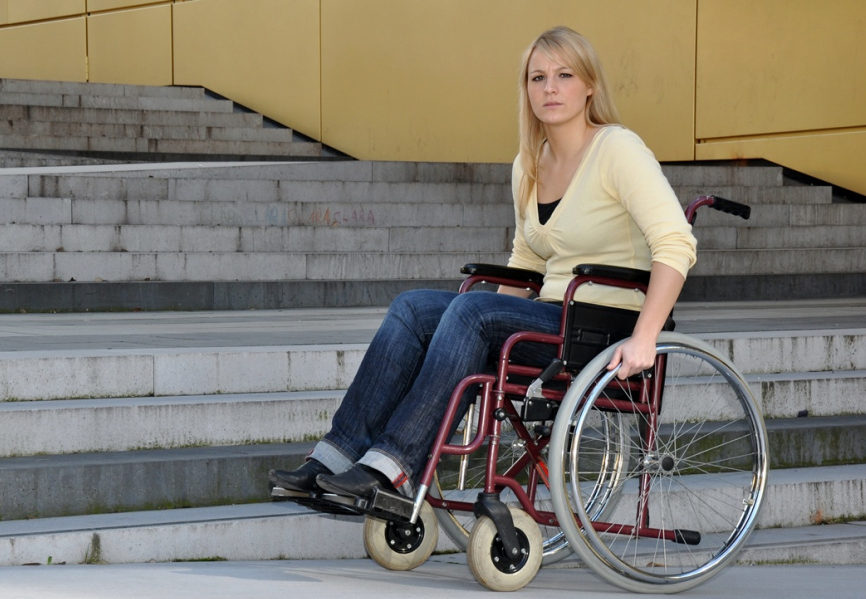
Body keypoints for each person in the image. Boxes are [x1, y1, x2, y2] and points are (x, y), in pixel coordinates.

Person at [269, 26, 697, 505]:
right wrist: (468, 327)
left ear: (590, 85)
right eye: (538, 78)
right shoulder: (529, 164)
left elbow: (676, 243)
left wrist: (645, 336)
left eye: (563, 75)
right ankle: (335, 455)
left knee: (471, 314)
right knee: (414, 309)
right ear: (527, 90)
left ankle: (392, 466)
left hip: (604, 326)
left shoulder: (617, 149)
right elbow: (528, 258)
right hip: (554, 315)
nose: (550, 88)